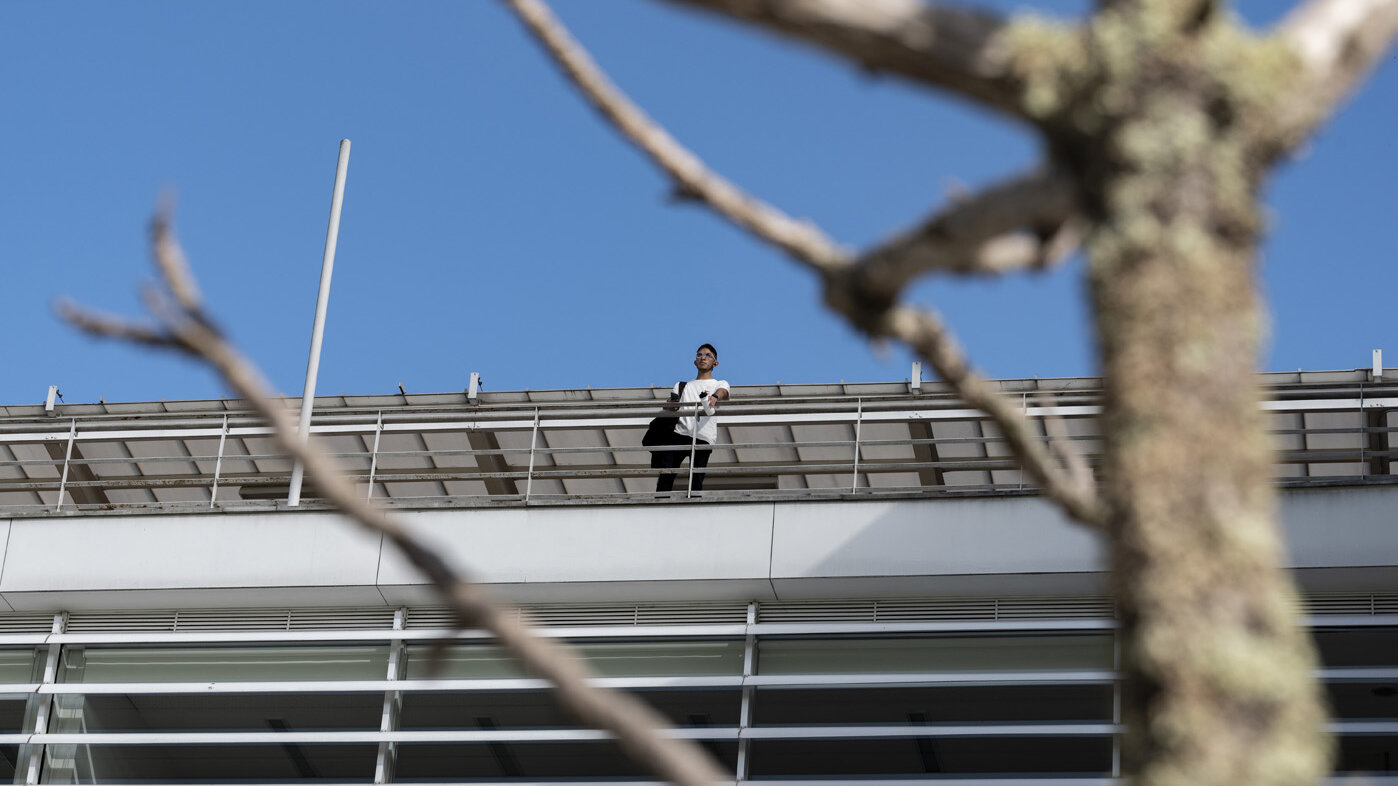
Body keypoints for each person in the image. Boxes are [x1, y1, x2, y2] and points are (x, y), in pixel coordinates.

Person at [652, 343, 730, 494]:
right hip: (679, 433)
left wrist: (714, 397)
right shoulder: (682, 385)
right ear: (695, 361)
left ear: (715, 362)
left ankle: (694, 503)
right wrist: (670, 405)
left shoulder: (719, 383)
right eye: (699, 355)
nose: (703, 358)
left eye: (708, 355)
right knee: (667, 473)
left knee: (697, 476)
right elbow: (671, 404)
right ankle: (660, 502)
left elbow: (723, 391)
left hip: (703, 435)